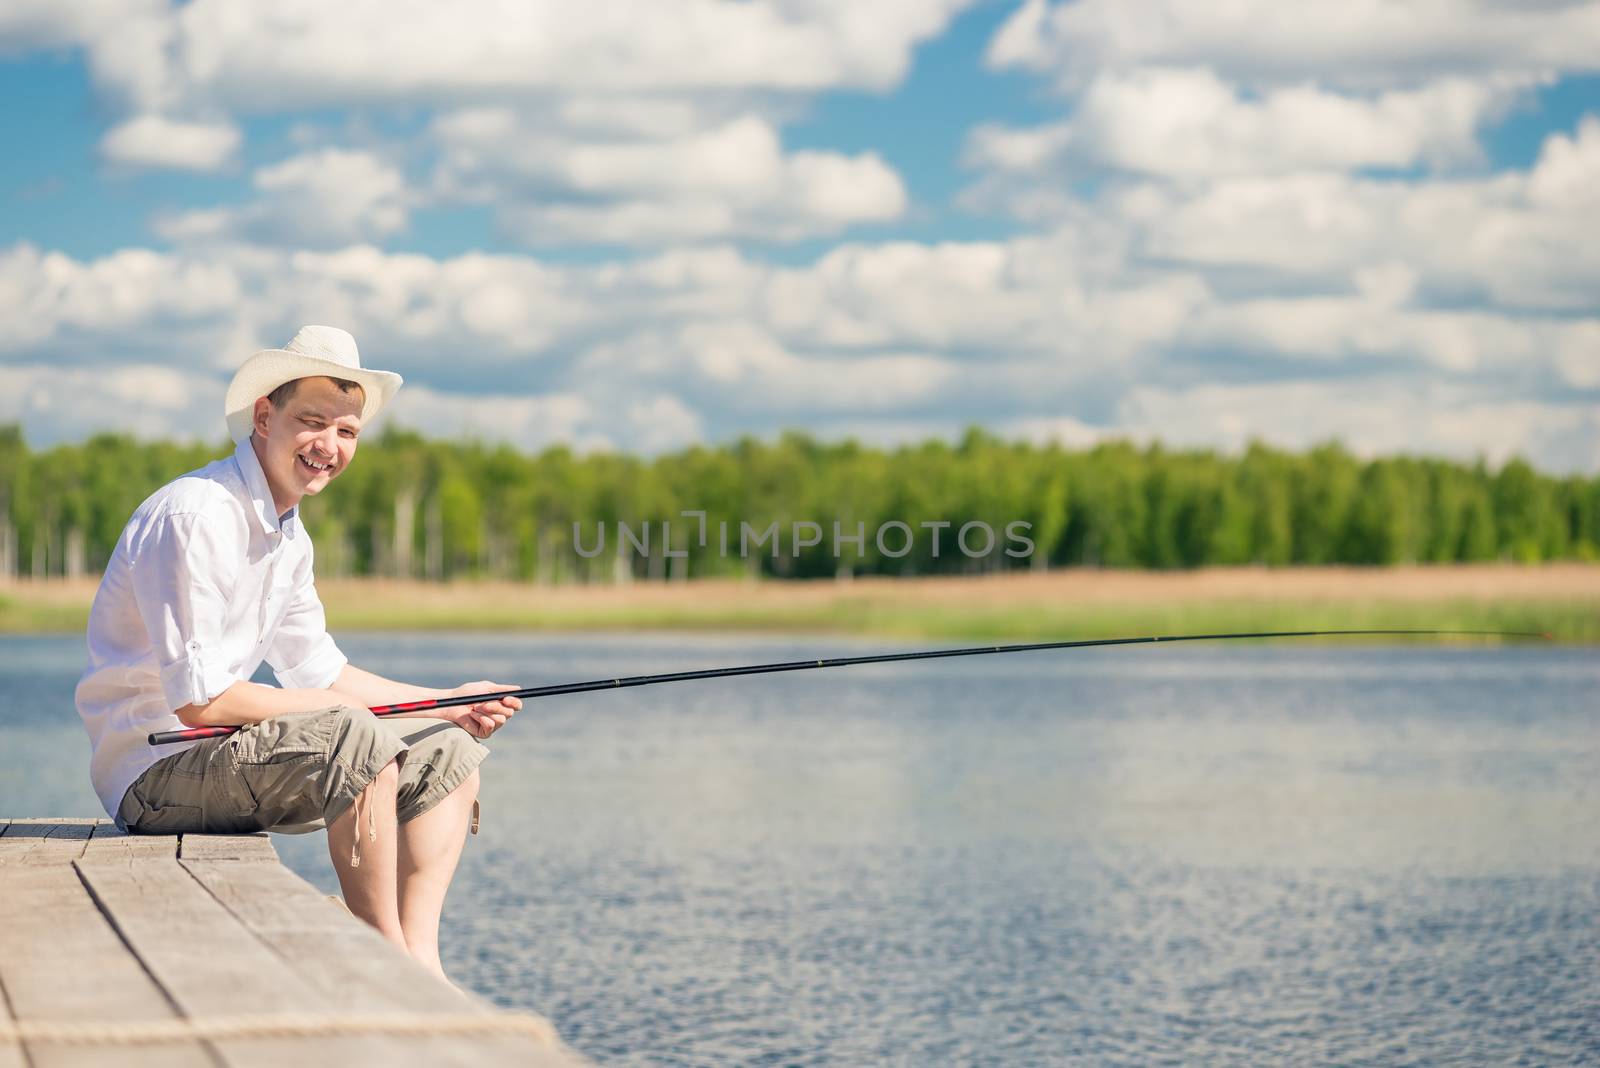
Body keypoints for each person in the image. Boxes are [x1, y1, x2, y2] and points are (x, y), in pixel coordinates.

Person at [75, 325, 520, 981]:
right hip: (153, 777)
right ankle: (380, 956)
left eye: (347, 432)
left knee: (445, 748)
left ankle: (420, 962)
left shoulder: (290, 540)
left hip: (223, 759)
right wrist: (335, 714)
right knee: (350, 734)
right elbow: (200, 702)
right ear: (264, 417)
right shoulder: (197, 516)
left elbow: (324, 673)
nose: (330, 447)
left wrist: (448, 703)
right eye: (313, 422)